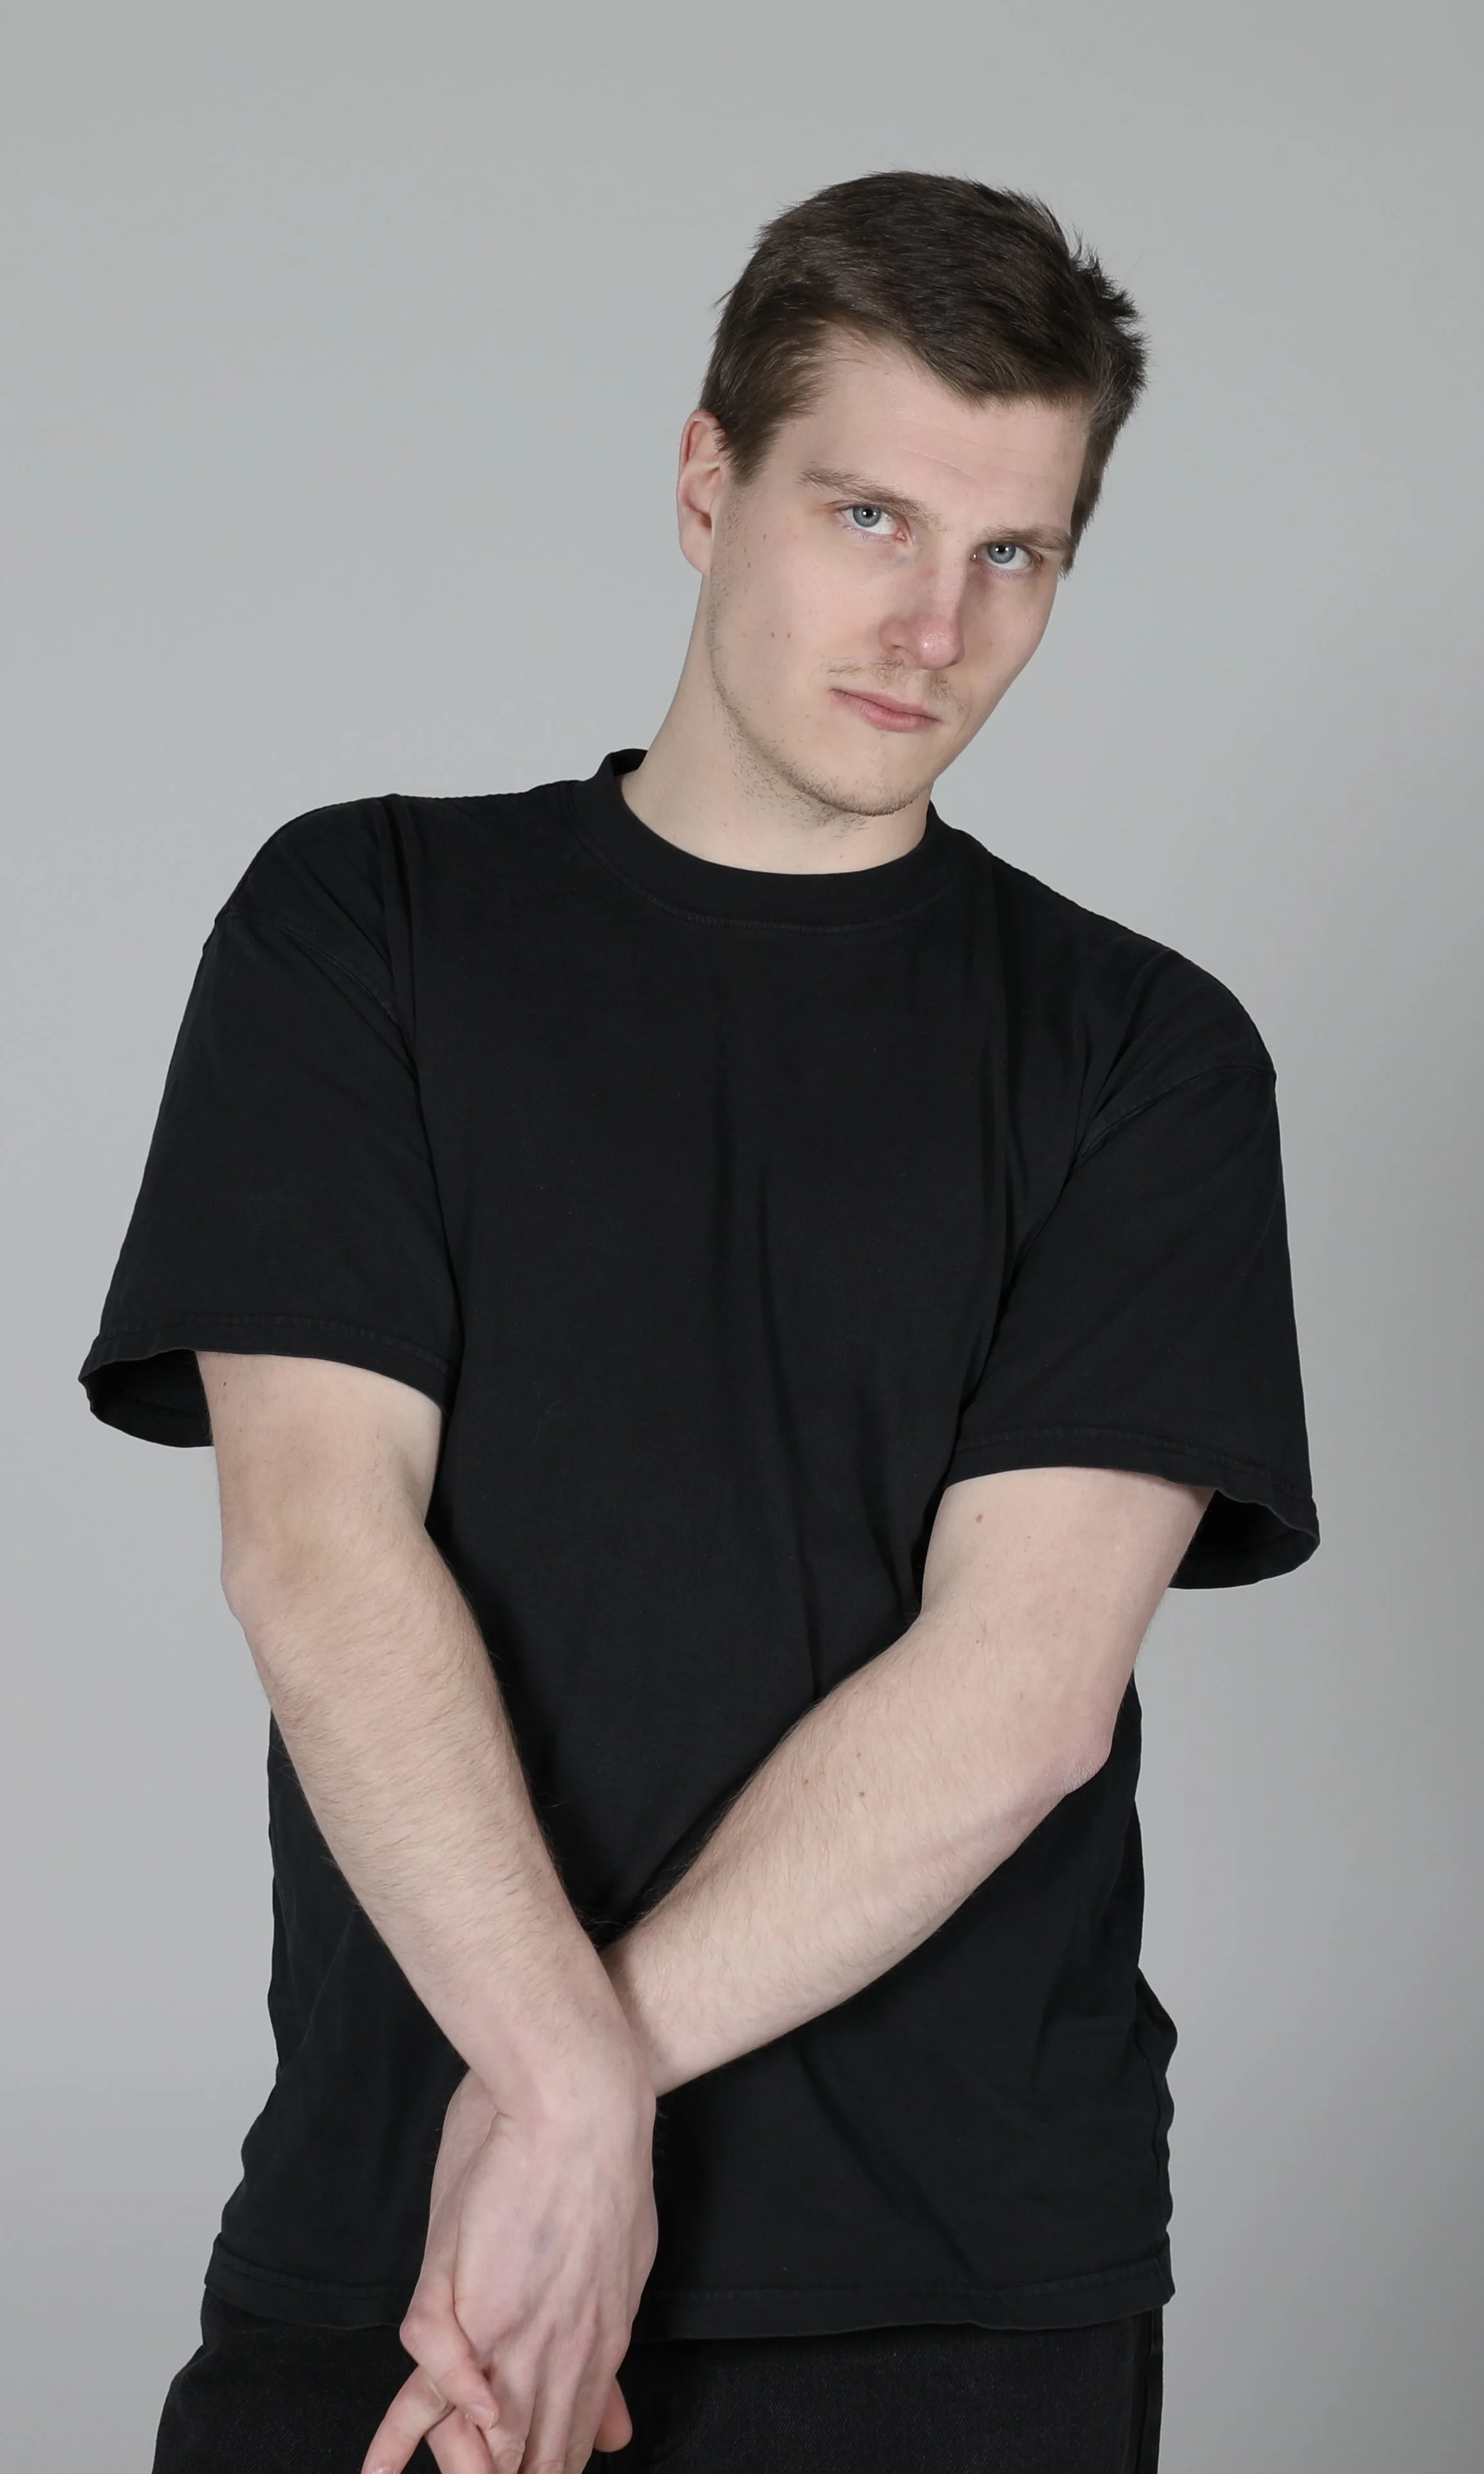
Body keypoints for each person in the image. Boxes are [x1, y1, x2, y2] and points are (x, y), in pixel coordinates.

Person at [80, 170, 1317, 2474]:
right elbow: (315, 1545)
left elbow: (1026, 1691)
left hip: (948, 2287)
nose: (935, 624)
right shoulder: (363, 926)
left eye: (1017, 553)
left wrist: (572, 2090)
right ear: (702, 480)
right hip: (409, 2249)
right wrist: (557, 2093)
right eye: (870, 513)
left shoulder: (1144, 1054)